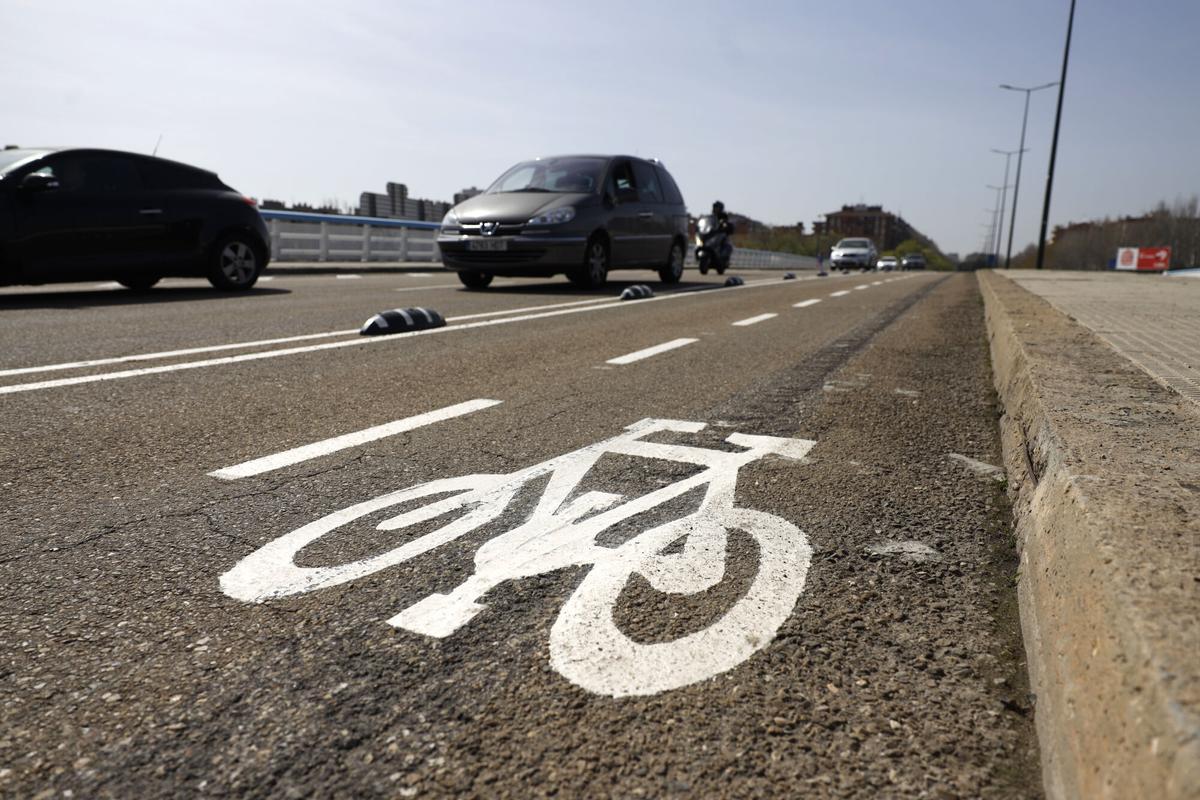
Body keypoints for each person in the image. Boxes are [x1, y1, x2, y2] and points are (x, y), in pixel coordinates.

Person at [712, 201, 735, 265]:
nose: (716, 209)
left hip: (721, 233)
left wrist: (725, 226)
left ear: (721, 208)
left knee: (726, 244)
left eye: (717, 207)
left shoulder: (724, 215)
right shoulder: (711, 216)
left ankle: (724, 258)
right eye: (715, 207)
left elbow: (726, 223)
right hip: (712, 234)